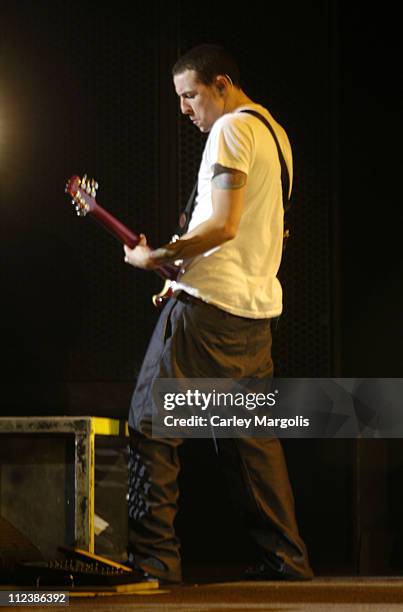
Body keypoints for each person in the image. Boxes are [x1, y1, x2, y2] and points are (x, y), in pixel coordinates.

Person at [123, 43, 313, 584]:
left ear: (222, 84)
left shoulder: (230, 130)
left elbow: (226, 225)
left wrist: (161, 257)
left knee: (150, 426)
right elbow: (262, 231)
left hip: (208, 313)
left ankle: (154, 564)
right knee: (249, 442)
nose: (185, 108)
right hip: (252, 316)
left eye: (191, 95)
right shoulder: (276, 136)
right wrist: (184, 270)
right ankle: (287, 561)